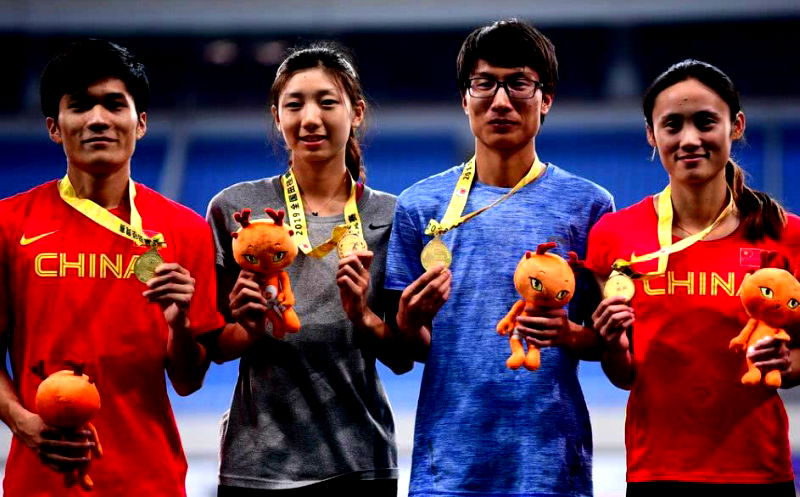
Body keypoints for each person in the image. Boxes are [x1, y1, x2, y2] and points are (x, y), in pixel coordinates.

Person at [384, 19, 614, 497]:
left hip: (551, 464)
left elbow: (608, 344)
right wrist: (408, 320)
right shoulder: (420, 206)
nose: (502, 101)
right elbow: (406, 351)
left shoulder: (590, 206)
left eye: (519, 84)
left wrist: (569, 334)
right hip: (449, 466)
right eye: (485, 84)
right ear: (464, 98)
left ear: (546, 99)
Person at [0, 39, 224, 496]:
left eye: (114, 104)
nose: (98, 119)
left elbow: (187, 382)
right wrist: (21, 421)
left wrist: (179, 325)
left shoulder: (186, 230)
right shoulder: (8, 224)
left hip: (149, 480)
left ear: (140, 123)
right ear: (54, 127)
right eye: (80, 106)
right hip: (39, 481)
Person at [204, 42, 409, 496]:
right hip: (257, 465)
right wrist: (248, 328)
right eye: (294, 104)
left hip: (361, 463)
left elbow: (402, 357)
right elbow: (214, 347)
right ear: (277, 117)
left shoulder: (393, 216)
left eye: (327, 102)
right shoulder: (233, 208)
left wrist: (364, 317)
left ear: (356, 113)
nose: (310, 118)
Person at [587, 59, 800, 496]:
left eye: (705, 122)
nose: (689, 139)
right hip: (656, 472)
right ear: (652, 134)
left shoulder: (786, 235)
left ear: (735, 126)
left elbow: (796, 359)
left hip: (759, 470)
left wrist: (786, 364)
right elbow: (625, 375)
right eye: (672, 125)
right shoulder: (614, 235)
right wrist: (611, 344)